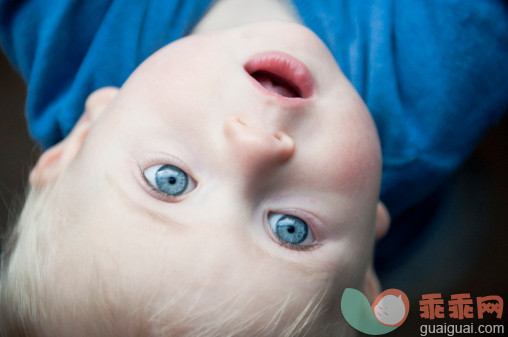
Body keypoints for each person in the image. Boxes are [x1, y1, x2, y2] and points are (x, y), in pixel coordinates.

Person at [0, 0, 506, 336]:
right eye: (291, 229)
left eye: (169, 180)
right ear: (366, 251)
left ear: (80, 137)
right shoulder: (437, 83)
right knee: (444, 233)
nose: (255, 145)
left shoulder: (65, 26)